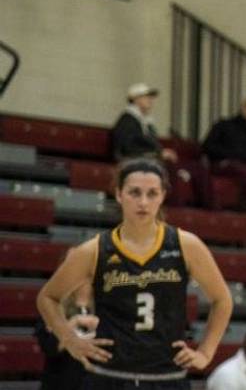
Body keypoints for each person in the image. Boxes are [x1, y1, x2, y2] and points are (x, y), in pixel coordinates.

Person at [35, 158, 233, 388]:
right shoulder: (95, 250)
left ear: (163, 196)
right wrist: (70, 341)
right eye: (135, 193)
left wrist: (206, 352)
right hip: (110, 378)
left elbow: (222, 299)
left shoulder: (186, 245)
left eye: (152, 194)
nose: (143, 202)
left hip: (167, 378)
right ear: (119, 194)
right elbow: (47, 298)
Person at [110, 82, 214, 209]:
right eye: (146, 97)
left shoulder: (145, 122)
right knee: (169, 167)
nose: (150, 101)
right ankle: (175, 207)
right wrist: (159, 154)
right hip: (140, 160)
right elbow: (126, 148)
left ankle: (208, 207)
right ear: (135, 99)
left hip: (151, 157)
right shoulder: (127, 121)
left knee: (198, 168)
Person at [34, 282, 96, 389]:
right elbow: (49, 347)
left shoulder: (107, 306)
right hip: (61, 381)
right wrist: (73, 323)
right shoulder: (53, 304)